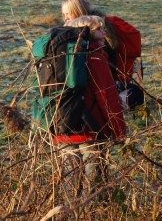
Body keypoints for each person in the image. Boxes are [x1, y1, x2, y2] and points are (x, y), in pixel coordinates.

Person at [53, 15, 126, 203]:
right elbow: (107, 95)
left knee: (69, 184)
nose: (104, 32)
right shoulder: (95, 56)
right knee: (92, 187)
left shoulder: (60, 54)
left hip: (62, 129)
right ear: (87, 33)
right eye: (99, 29)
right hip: (89, 131)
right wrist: (119, 131)